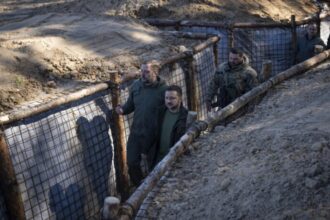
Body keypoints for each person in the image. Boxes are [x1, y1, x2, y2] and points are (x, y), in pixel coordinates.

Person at [115, 60, 167, 186]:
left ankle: (154, 189)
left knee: (154, 165)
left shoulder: (164, 89)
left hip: (155, 134)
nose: (143, 75)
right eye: (141, 71)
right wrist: (122, 110)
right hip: (137, 132)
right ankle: (139, 188)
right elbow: (130, 105)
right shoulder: (136, 86)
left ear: (155, 72)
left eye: (147, 72)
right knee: (132, 162)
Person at [206, 48, 258, 112]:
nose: (232, 61)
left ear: (241, 57)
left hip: (241, 107)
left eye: (235, 59)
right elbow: (214, 84)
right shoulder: (222, 68)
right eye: (230, 58)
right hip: (223, 106)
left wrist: (251, 108)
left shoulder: (249, 73)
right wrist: (208, 99)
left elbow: (254, 91)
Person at [152, 85, 188, 166]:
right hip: (158, 158)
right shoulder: (159, 112)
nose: (168, 101)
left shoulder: (186, 116)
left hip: (175, 159)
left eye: (172, 98)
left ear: (180, 98)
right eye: (166, 98)